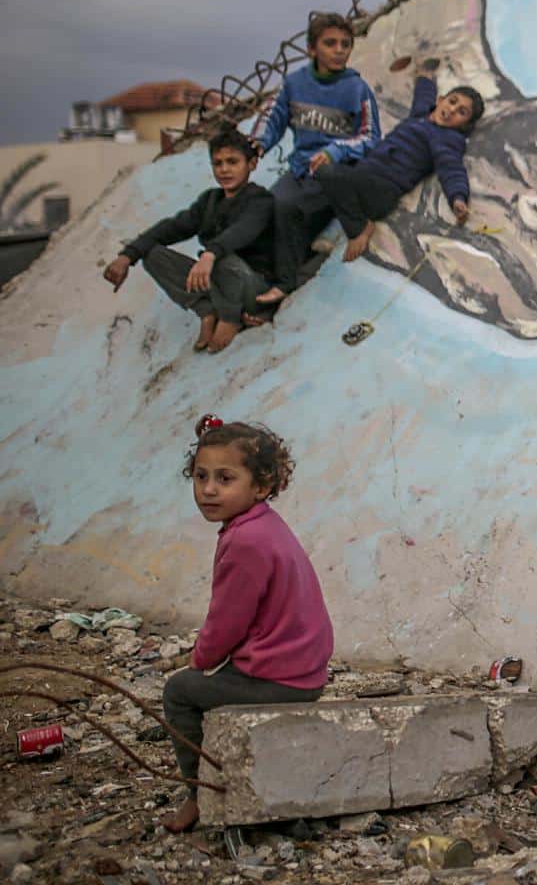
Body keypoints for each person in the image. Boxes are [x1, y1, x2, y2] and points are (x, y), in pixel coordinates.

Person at [161, 418, 332, 833]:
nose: (209, 489)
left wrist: (200, 659)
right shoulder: (262, 525)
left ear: (260, 486)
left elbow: (227, 622)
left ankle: (199, 793)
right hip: (301, 667)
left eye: (225, 478)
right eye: (201, 477)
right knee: (205, 679)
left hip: (282, 677)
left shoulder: (245, 541)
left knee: (180, 691)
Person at [103, 125, 277, 353]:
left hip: (253, 287)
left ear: (251, 164)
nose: (224, 170)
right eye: (218, 163)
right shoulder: (210, 200)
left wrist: (210, 254)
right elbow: (171, 228)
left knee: (221, 257)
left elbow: (241, 232)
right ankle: (208, 311)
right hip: (218, 284)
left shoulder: (261, 200)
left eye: (232, 162)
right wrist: (127, 256)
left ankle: (230, 319)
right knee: (153, 254)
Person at [251, 11, 381, 305]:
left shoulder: (356, 89)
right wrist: (258, 145)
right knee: (263, 209)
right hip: (301, 170)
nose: (338, 51)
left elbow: (371, 136)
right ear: (312, 49)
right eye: (330, 43)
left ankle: (286, 283)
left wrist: (335, 150)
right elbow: (272, 118)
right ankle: (253, 283)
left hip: (336, 173)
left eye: (345, 44)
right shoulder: (294, 84)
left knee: (287, 209)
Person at [313, 68, 482, 264]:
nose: (452, 110)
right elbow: (424, 94)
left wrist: (458, 198)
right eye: (452, 101)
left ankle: (360, 229)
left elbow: (452, 169)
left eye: (462, 112)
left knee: (327, 171)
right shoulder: (420, 114)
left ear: (464, 125)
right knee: (313, 183)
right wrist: (424, 74)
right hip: (361, 177)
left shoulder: (448, 139)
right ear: (441, 99)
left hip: (382, 189)